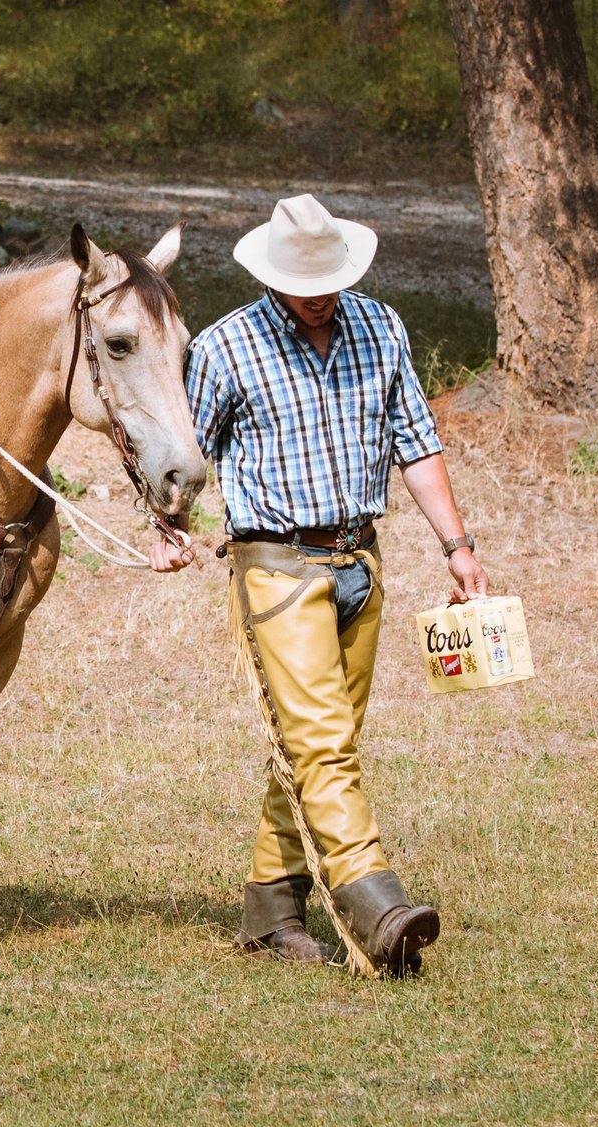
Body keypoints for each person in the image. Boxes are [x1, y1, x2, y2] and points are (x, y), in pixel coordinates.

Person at [169, 193, 490, 974]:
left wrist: (458, 546)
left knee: (323, 744)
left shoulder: (381, 327)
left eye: (326, 280)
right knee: (319, 741)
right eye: (300, 280)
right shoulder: (224, 348)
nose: (316, 295)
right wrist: (167, 528)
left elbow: (416, 441)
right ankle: (376, 908)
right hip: (275, 567)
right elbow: (184, 453)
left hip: (360, 562)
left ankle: (269, 912)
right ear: (271, 274)